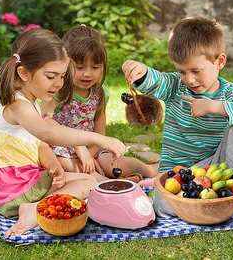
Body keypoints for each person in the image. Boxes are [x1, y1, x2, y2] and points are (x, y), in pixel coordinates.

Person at [122, 16, 233, 239]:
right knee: (161, 205)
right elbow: (155, 80)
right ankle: (228, 202)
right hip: (180, 178)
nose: (189, 79)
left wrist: (215, 107)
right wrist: (139, 70)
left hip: (217, 172)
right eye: (182, 71)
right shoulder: (174, 87)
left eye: (195, 70)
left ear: (219, 62)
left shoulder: (229, 93)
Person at [0, 28, 126, 237]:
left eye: (62, 76)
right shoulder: (19, 105)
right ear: (24, 73)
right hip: (6, 188)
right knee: (88, 183)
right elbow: (48, 134)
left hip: (7, 180)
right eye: (51, 76)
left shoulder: (28, 99)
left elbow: (40, 143)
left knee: (87, 180)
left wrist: (55, 166)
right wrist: (97, 138)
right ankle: (34, 211)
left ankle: (36, 203)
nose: (59, 84)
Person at [41, 25, 159, 182]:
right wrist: (78, 147)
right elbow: (42, 119)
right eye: (80, 67)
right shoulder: (58, 90)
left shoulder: (99, 94)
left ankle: (148, 170)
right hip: (62, 147)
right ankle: (104, 182)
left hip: (92, 147)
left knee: (111, 163)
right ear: (65, 63)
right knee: (64, 162)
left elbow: (100, 133)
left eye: (95, 67)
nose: (88, 73)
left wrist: (89, 156)